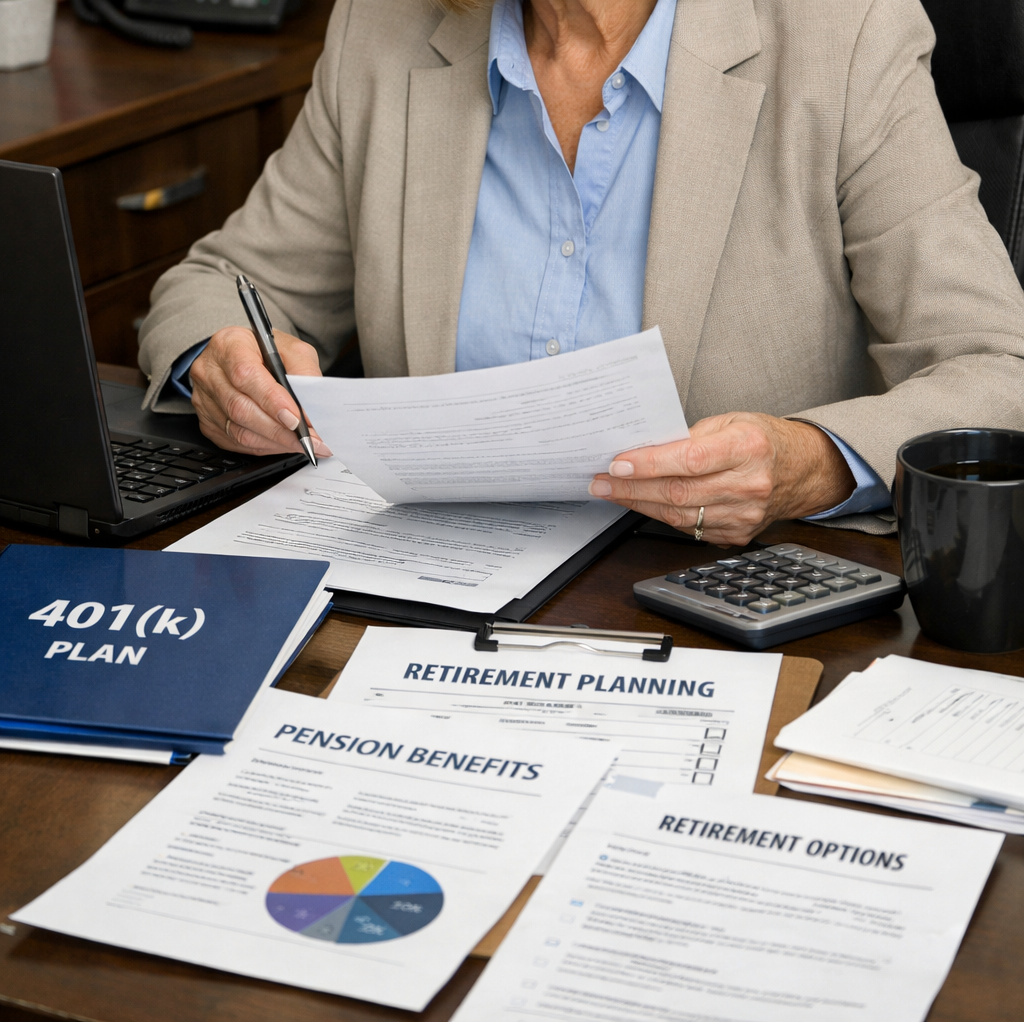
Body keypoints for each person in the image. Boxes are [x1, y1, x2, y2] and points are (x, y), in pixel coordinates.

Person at [138, 0, 1024, 546]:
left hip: (714, 603)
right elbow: (223, 282)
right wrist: (219, 361)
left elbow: (997, 369)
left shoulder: (844, 33)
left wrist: (809, 462)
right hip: (424, 602)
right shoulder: (385, 23)